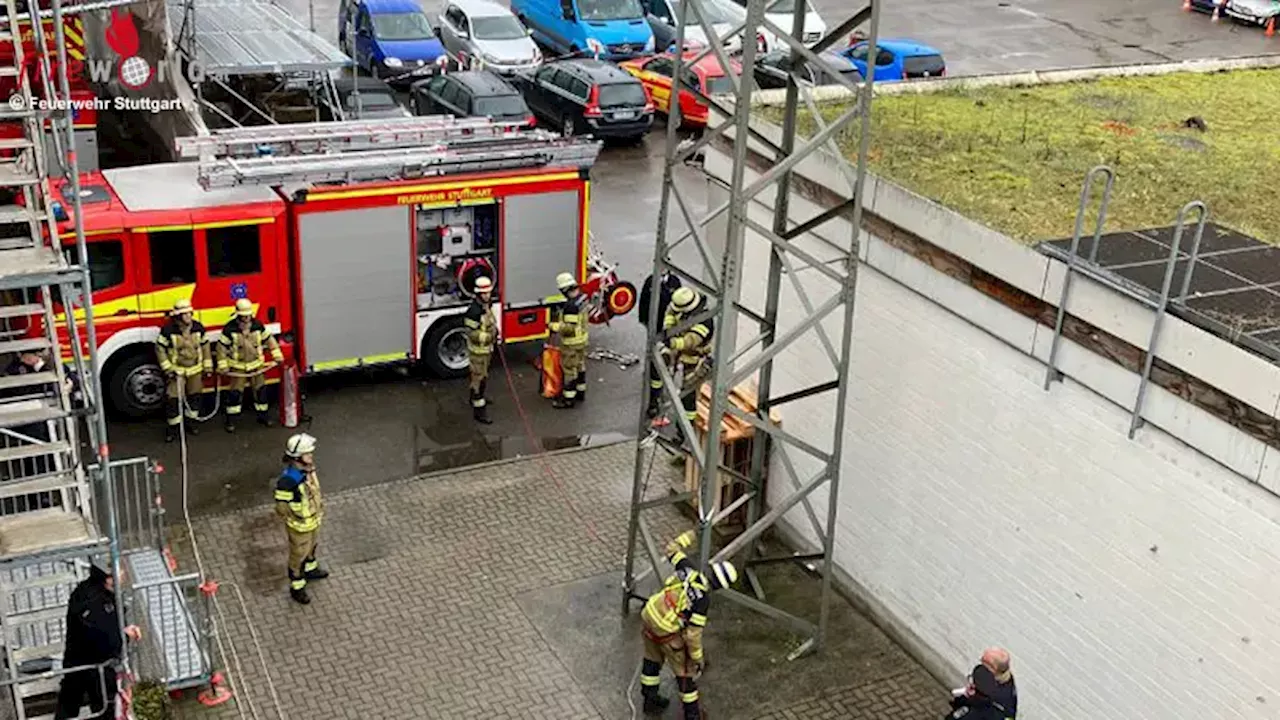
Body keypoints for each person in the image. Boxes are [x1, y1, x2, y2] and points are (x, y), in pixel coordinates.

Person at [637, 530, 737, 719]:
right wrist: (697, 658)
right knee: (685, 673)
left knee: (651, 659)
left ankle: (650, 700)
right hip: (666, 631)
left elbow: (671, 549)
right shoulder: (702, 600)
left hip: (649, 616)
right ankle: (692, 716)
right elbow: (692, 634)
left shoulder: (688, 569)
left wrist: (692, 534)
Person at [54, 564, 141, 720]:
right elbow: (106, 641)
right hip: (95, 664)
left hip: (77, 658)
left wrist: (122, 631)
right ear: (109, 577)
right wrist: (125, 636)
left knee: (69, 700)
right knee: (103, 706)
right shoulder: (97, 602)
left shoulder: (87, 590)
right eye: (120, 571)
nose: (124, 575)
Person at [647, 287, 713, 438]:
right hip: (676, 349)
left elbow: (691, 341)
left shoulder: (705, 320)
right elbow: (670, 313)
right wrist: (668, 329)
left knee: (687, 393)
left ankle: (684, 431)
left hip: (694, 357)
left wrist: (673, 342)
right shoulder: (679, 305)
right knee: (656, 365)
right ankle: (653, 401)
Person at [274, 433, 328, 605]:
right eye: (308, 454)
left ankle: (311, 569)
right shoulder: (288, 480)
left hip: (313, 521)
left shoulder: (308, 469)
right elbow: (281, 507)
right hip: (300, 526)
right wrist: (296, 517)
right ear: (297, 457)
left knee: (312, 547)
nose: (311, 456)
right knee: (298, 556)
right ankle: (297, 587)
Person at [217, 297, 283, 433]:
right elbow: (221, 348)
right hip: (238, 367)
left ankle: (263, 416)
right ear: (238, 315)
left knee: (261, 393)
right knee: (235, 394)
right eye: (243, 316)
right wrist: (222, 365)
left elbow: (269, 340)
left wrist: (277, 355)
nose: (247, 319)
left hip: (256, 366)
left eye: (248, 315)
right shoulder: (230, 329)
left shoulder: (258, 325)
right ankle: (231, 420)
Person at [155, 298, 211, 443]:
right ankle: (173, 429)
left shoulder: (198, 328)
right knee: (172, 399)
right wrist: (167, 369)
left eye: (189, 313)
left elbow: (205, 348)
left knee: (195, 398)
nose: (189, 317)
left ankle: (191, 424)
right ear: (178, 317)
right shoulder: (168, 331)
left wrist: (208, 367)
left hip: (195, 371)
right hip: (177, 372)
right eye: (185, 314)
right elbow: (160, 350)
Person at [548, 272, 589, 409]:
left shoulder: (571, 306)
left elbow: (569, 329)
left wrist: (553, 326)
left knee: (569, 369)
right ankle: (581, 392)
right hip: (583, 340)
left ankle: (568, 399)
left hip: (571, 343)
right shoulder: (583, 298)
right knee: (580, 365)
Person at [463, 276, 498, 425]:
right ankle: (479, 412)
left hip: (486, 351)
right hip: (478, 352)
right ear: (478, 294)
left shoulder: (486, 306)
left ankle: (474, 398)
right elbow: (471, 332)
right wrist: (488, 337)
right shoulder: (473, 311)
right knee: (479, 379)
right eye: (484, 294)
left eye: (488, 293)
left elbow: (489, 323)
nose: (487, 296)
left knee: (482, 375)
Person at [947, 647, 1017, 719]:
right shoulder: (1002, 677)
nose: (981, 663)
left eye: (983, 662)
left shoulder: (994, 706)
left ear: (992, 668)